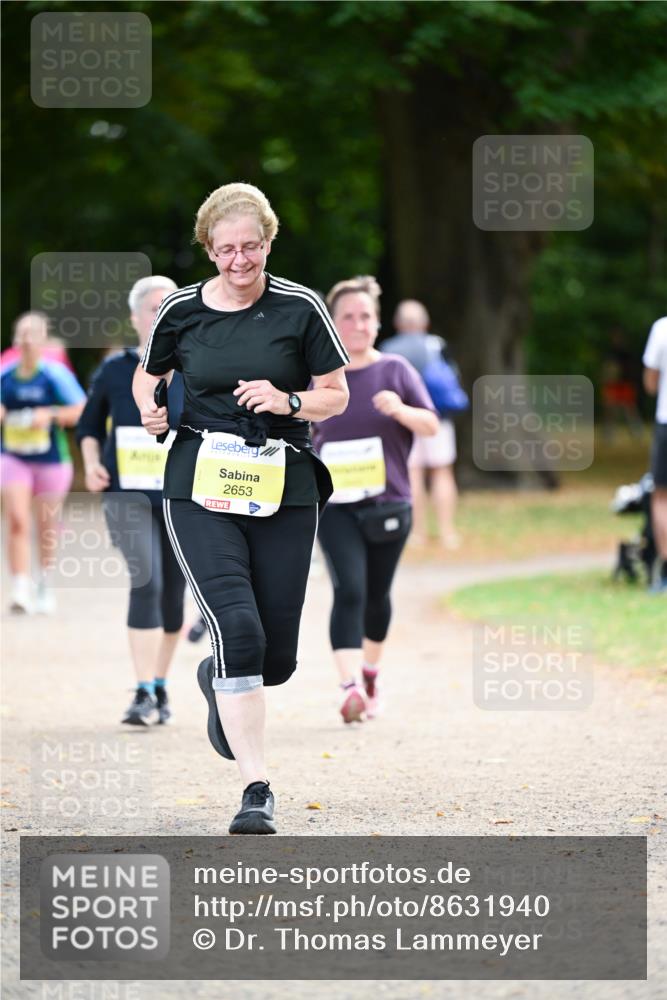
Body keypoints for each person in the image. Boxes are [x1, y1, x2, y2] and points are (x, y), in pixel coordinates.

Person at [132, 182, 349, 834]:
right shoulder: (180, 309)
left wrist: (288, 401)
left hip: (283, 481)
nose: (238, 260)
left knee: (274, 660)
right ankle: (256, 788)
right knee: (238, 630)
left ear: (268, 242)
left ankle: (216, 678)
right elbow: (150, 373)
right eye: (225, 250)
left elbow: (335, 394)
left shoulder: (300, 307)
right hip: (199, 481)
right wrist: (150, 409)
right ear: (208, 248)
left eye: (250, 247)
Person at [313, 277, 439, 723]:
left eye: (365, 316)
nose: (358, 324)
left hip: (389, 502)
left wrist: (401, 410)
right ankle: (349, 687)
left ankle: (370, 675)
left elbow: (431, 424)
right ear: (332, 323)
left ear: (378, 321)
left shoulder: (396, 370)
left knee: (376, 594)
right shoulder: (319, 375)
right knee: (349, 587)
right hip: (335, 505)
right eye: (347, 317)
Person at [77, 276, 187, 724]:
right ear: (135, 317)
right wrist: (91, 464)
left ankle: (159, 685)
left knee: (174, 595)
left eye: (170, 306)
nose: (162, 315)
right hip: (127, 495)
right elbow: (88, 426)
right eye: (154, 308)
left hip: (181, 496)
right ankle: (141, 692)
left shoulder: (196, 366)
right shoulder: (115, 370)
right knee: (148, 580)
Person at [0, 311, 86, 614]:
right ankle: (20, 587)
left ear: (43, 340)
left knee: (46, 524)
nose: (27, 341)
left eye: (33, 335)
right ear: (15, 340)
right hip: (13, 456)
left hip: (51, 460)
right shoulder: (5, 375)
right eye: (22, 334)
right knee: (17, 519)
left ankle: (44, 583)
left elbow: (81, 410)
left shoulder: (55, 374)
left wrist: (49, 415)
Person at [380, 299, 461, 549]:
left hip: (404, 420)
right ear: (425, 323)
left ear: (398, 323)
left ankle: (417, 534)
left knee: (412, 474)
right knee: (442, 471)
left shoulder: (388, 349)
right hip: (438, 418)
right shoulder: (437, 344)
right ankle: (447, 532)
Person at [642, 314, 667, 593]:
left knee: (661, 496)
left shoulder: (662, 328)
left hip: (666, 421)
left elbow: (650, 383)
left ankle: (666, 570)